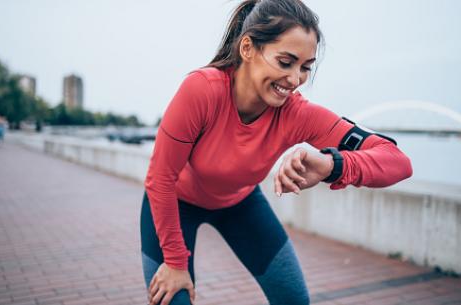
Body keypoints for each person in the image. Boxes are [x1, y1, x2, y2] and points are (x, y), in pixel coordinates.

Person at [141, 1, 413, 304]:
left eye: (305, 67)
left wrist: (330, 164)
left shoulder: (297, 114)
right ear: (247, 48)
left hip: (240, 204)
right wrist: (176, 262)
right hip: (174, 204)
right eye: (286, 62)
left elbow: (397, 161)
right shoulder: (202, 90)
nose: (296, 80)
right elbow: (161, 177)